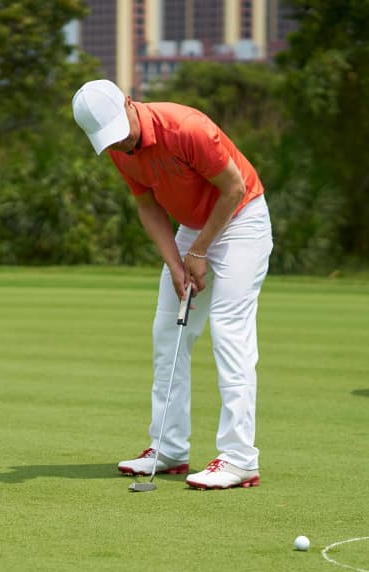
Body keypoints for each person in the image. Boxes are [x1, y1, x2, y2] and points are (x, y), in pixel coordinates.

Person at [72, 79, 273, 490]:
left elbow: (233, 188)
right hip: (192, 228)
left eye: (121, 132)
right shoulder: (119, 150)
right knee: (168, 333)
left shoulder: (186, 127)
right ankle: (168, 449)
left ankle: (239, 459)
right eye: (109, 140)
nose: (121, 144)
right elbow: (148, 207)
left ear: (130, 103)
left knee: (228, 329)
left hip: (241, 220)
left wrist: (198, 253)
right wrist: (177, 263)